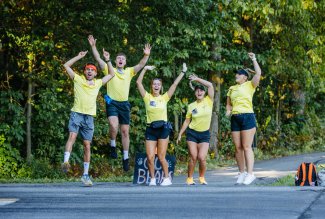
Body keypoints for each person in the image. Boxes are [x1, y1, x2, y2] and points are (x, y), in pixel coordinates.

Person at [88, 35, 151, 171]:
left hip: (124, 104)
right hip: (112, 102)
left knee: (125, 132)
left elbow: (141, 64)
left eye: (123, 59)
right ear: (115, 61)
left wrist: (146, 55)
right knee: (113, 124)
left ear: (125, 61)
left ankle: (126, 157)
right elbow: (98, 59)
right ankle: (112, 144)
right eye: (118, 58)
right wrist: (93, 46)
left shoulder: (129, 71)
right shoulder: (110, 69)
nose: (120, 60)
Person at [61, 50, 115, 186]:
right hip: (77, 114)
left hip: (89, 117)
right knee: (72, 136)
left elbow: (112, 74)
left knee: (87, 145)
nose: (90, 71)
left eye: (92, 70)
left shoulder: (98, 83)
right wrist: (78, 57)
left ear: (96, 73)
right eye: (87, 69)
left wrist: (107, 60)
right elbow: (66, 66)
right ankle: (66, 161)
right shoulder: (78, 79)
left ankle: (85, 175)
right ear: (84, 72)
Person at [136, 63, 187, 186]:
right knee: (150, 156)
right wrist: (144, 69)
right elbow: (138, 83)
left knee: (161, 156)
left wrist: (183, 72)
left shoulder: (165, 97)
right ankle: (152, 179)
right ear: (151, 86)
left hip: (163, 129)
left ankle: (166, 178)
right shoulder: (147, 97)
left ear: (161, 87)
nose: (156, 86)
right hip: (151, 129)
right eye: (154, 84)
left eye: (158, 84)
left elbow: (174, 84)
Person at [226, 52, 262, 185]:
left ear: (245, 78)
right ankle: (241, 173)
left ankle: (250, 174)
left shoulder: (250, 85)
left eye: (240, 74)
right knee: (238, 147)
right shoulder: (231, 88)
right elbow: (228, 104)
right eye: (236, 74)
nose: (237, 75)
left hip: (247, 116)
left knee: (247, 146)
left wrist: (254, 59)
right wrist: (228, 111)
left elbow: (258, 74)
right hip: (235, 118)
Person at [177, 74, 214, 185]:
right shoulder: (191, 106)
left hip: (204, 134)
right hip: (192, 133)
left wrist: (197, 79)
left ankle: (201, 178)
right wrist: (180, 134)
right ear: (195, 93)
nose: (199, 92)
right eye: (197, 90)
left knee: (202, 158)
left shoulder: (209, 101)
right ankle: (190, 178)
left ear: (204, 93)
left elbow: (210, 85)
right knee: (193, 156)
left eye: (201, 90)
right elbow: (187, 121)